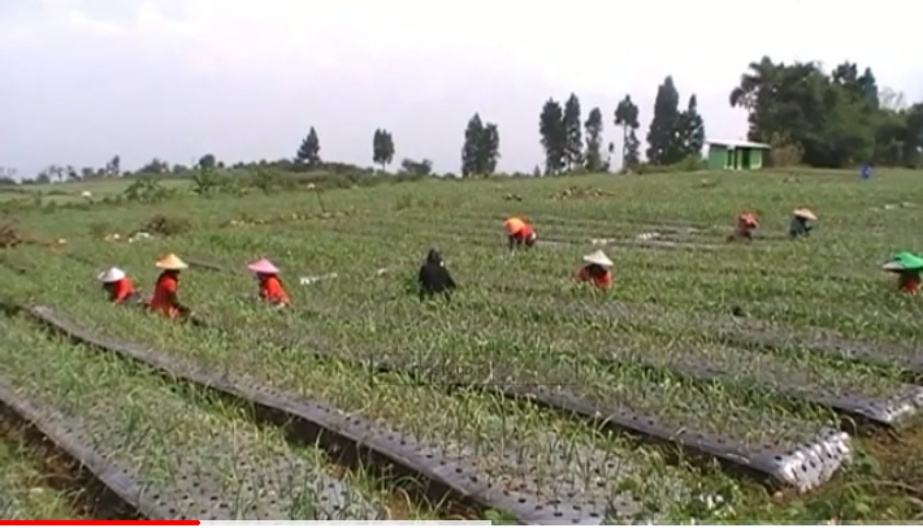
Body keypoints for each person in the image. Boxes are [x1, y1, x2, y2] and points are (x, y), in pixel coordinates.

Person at [147, 253, 192, 320]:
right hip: (164, 310)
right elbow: (173, 298)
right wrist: (181, 307)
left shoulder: (162, 277)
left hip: (155, 306)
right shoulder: (170, 282)